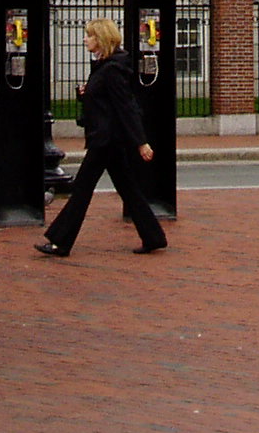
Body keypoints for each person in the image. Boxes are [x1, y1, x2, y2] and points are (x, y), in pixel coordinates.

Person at [35, 19, 167, 258]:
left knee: (82, 190)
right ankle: (153, 236)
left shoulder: (112, 69)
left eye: (89, 36)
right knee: (128, 190)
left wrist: (141, 141)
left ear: (101, 39)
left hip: (106, 141)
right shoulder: (105, 67)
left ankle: (60, 241)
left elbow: (126, 106)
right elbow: (105, 100)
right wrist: (86, 93)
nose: (85, 39)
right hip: (108, 140)